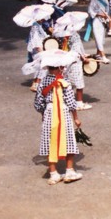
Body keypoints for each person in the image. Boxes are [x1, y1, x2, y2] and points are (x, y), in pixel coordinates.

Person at [33, 52, 83, 185]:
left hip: (49, 112)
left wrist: (43, 114)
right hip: (63, 112)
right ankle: (69, 170)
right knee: (68, 139)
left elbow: (38, 103)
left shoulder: (43, 82)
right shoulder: (64, 82)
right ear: (60, 67)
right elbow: (71, 102)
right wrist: (76, 118)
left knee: (50, 140)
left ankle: (53, 173)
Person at [86, 0, 111, 64]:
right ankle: (103, 56)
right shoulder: (93, 1)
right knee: (98, 38)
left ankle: (98, 54)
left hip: (103, 21)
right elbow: (90, 11)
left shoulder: (105, 1)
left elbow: (107, 11)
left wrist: (106, 16)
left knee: (102, 38)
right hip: (96, 21)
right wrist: (99, 14)